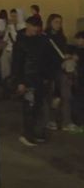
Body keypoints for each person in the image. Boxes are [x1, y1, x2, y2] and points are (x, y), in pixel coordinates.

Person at [13, 15, 58, 146]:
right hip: (27, 79)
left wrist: (47, 76)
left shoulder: (42, 40)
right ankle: (27, 135)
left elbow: (47, 59)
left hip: (40, 79)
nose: (35, 29)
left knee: (38, 108)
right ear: (28, 25)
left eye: (37, 27)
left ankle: (36, 133)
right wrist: (20, 82)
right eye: (33, 27)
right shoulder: (20, 42)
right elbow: (17, 64)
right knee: (29, 108)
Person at [44, 14, 73, 131]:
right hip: (50, 71)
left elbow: (64, 50)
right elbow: (45, 56)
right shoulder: (45, 37)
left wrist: (67, 56)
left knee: (65, 96)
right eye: (56, 22)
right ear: (50, 22)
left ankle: (66, 121)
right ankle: (51, 120)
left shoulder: (62, 37)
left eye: (60, 22)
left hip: (62, 70)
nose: (58, 24)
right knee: (52, 97)